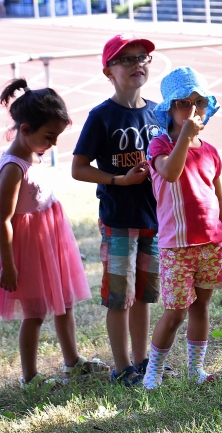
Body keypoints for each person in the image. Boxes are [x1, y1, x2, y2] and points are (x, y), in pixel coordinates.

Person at [71, 34, 168, 386]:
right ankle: (121, 367)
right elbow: (78, 168)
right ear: (108, 71)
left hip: (153, 221)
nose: (137, 64)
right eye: (126, 59)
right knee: (119, 299)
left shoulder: (159, 112)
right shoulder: (101, 117)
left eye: (142, 57)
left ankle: (142, 361)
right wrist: (120, 181)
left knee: (144, 295)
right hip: (118, 221)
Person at [0, 79, 109, 388]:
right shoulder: (12, 168)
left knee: (64, 302)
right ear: (24, 130)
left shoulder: (32, 154)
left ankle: (73, 361)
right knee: (34, 313)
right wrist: (9, 265)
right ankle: (30, 377)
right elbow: (3, 219)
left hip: (51, 240)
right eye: (50, 136)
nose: (54, 144)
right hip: (28, 248)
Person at [142, 67, 222, 390]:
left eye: (198, 102)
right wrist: (183, 136)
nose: (192, 110)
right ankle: (153, 371)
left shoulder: (210, 152)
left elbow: (219, 197)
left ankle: (194, 368)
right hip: (176, 246)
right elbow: (170, 173)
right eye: (183, 103)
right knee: (175, 313)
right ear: (169, 109)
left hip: (210, 243)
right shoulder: (159, 147)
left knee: (201, 307)